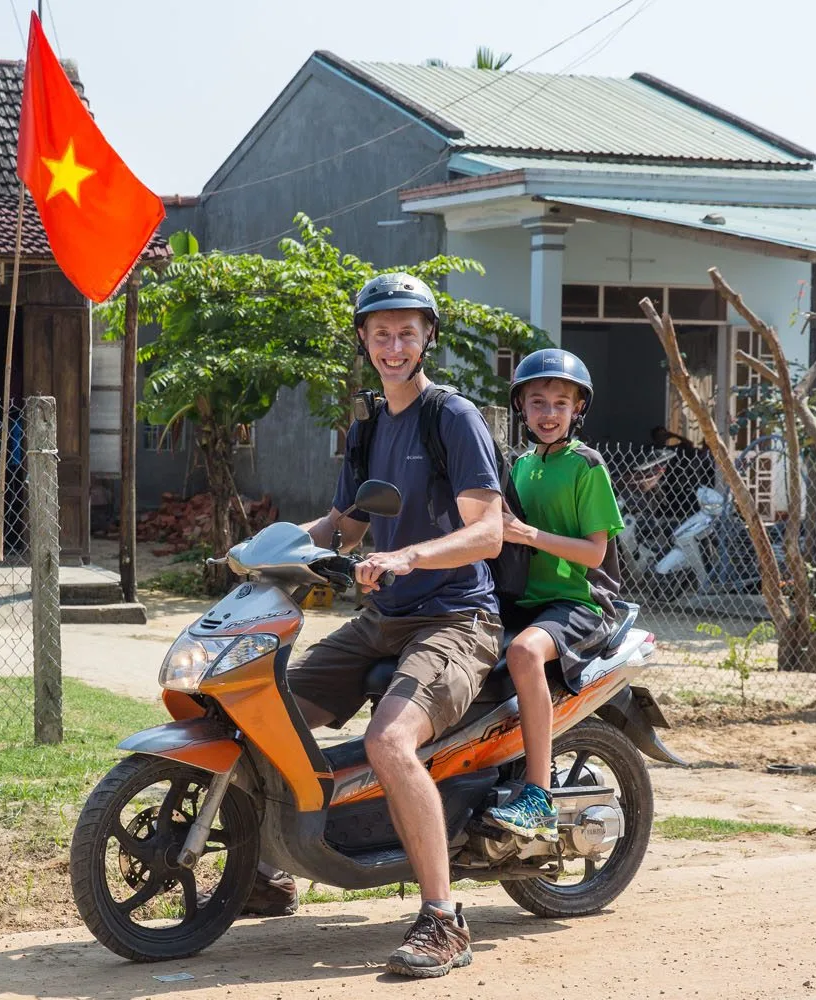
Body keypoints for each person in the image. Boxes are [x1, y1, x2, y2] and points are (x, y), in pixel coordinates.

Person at [281, 272, 505, 979]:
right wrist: (277, 545)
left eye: (408, 331)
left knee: (389, 740)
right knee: (270, 714)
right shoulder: (370, 424)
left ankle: (443, 919)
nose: (394, 344)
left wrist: (409, 554)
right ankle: (265, 867)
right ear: (364, 341)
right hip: (385, 618)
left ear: (427, 337)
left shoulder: (453, 417)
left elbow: (489, 532)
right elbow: (344, 524)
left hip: (456, 619)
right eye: (381, 332)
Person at [483, 349, 625, 842]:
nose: (548, 413)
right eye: (538, 401)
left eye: (560, 404)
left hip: (578, 603)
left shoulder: (586, 466)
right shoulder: (518, 465)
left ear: (577, 410)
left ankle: (538, 795)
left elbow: (593, 553)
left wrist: (528, 535)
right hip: (520, 599)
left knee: (523, 652)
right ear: (520, 406)